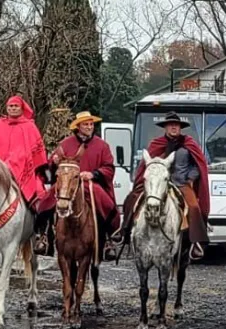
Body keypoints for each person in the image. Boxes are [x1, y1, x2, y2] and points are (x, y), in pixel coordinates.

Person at [116, 112, 210, 260]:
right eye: (170, 124)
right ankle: (125, 232)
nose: (173, 127)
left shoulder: (189, 144)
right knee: (132, 199)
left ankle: (195, 242)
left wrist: (190, 178)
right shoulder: (156, 144)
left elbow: (198, 165)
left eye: (176, 125)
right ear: (165, 127)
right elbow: (147, 165)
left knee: (194, 207)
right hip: (157, 182)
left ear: (180, 127)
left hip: (180, 183)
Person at [0, 95, 54, 252]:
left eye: (16, 106)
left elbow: (38, 153)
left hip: (25, 173)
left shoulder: (30, 127)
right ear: (6, 108)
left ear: (22, 108)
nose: (13, 108)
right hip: (0, 172)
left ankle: (40, 233)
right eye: (10, 106)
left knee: (42, 196)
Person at [49, 111, 120, 254]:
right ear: (78, 127)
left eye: (91, 124)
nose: (89, 127)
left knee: (105, 203)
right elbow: (53, 163)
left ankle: (108, 237)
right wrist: (54, 162)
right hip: (67, 184)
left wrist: (93, 174)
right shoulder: (65, 144)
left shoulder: (102, 146)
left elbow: (109, 167)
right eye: (85, 124)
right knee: (47, 199)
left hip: (90, 184)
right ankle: (44, 235)